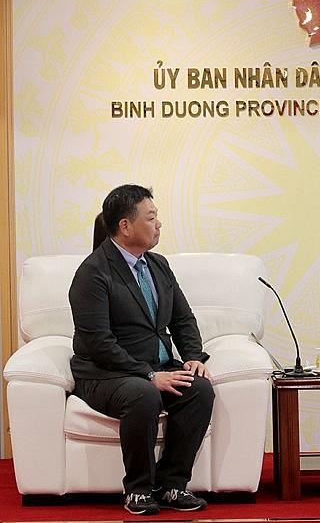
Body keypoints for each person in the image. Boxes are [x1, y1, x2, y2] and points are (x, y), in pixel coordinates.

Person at [69, 184, 214, 516]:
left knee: (199, 389)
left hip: (154, 368)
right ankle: (138, 489)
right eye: (151, 217)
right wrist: (150, 375)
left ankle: (172, 484)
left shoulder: (158, 265)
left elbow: (183, 319)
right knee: (143, 394)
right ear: (125, 226)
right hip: (105, 374)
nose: (158, 224)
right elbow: (99, 343)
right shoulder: (93, 273)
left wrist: (193, 356)